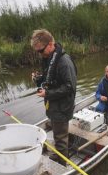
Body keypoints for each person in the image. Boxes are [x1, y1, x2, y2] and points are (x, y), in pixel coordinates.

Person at [30, 29, 77, 166]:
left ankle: (62, 164)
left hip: (62, 107)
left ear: (50, 44)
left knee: (60, 138)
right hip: (53, 105)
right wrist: (38, 79)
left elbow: (70, 87)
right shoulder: (48, 59)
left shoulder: (64, 62)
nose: (40, 54)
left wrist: (48, 94)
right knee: (57, 134)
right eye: (37, 51)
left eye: (41, 50)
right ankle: (59, 155)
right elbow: (49, 80)